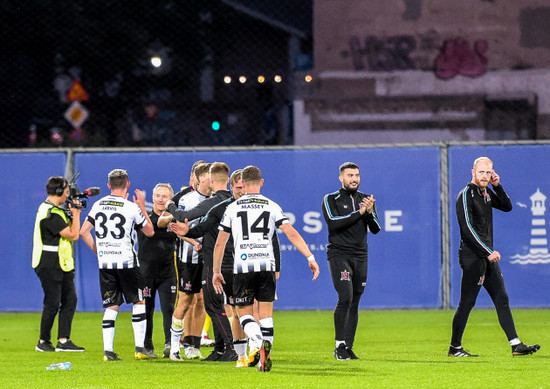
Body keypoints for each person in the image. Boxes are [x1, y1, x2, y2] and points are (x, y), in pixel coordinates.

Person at [212, 165, 320, 372]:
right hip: (267, 265)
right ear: (261, 182)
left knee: (243, 314)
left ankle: (256, 338)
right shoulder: (271, 206)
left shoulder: (233, 208)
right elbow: (291, 233)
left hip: (243, 266)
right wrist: (310, 256)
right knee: (266, 314)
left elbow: (220, 243)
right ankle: (265, 357)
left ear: (241, 183)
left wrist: (217, 271)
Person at [449, 156, 541, 357]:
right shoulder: (465, 195)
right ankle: (455, 348)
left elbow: (507, 206)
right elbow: (467, 230)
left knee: (502, 297)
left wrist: (497, 186)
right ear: (472, 172)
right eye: (481, 172)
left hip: (487, 256)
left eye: (488, 173)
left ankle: (515, 344)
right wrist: (487, 251)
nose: (484, 176)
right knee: (467, 303)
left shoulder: (486, 193)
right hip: (472, 257)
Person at [80, 169, 155, 361]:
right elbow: (149, 232)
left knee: (111, 305)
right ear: (127, 185)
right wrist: (142, 208)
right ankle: (139, 349)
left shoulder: (98, 205)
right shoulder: (131, 207)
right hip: (127, 262)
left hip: (106, 263)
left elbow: (83, 232)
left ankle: (108, 352)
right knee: (139, 302)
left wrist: (99, 251)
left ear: (108, 185)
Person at [172, 166, 240, 363]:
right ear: (228, 180)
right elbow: (204, 228)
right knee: (225, 305)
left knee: (212, 305)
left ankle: (229, 348)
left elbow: (192, 220)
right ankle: (219, 350)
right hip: (233, 259)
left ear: (211, 179)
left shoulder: (213, 204)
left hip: (213, 261)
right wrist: (187, 232)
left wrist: (171, 207)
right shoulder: (234, 202)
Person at [322, 162, 382, 361]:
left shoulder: (365, 199)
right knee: (345, 297)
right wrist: (361, 213)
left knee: (355, 301)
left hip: (360, 256)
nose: (354, 179)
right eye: (350, 175)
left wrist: (370, 211)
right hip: (339, 254)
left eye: (356, 175)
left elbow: (376, 229)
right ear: (341, 178)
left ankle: (348, 347)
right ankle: (338, 345)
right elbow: (334, 223)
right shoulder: (331, 199)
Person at [164, 162, 212, 361]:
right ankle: (175, 347)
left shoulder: (216, 199)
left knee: (201, 301)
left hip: (207, 257)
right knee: (185, 301)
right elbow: (175, 225)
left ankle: (193, 345)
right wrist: (193, 241)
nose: (213, 181)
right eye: (210, 177)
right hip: (188, 257)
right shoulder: (187, 199)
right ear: (200, 179)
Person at [32, 176, 85, 352]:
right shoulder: (51, 213)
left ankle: (63, 340)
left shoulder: (53, 210)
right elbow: (73, 235)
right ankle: (43, 341)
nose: (68, 195)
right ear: (59, 192)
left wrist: (72, 213)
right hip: (49, 262)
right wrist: (76, 213)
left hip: (61, 263)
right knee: (52, 302)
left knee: (70, 300)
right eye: (67, 192)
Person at [137, 183, 178, 359]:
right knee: (147, 310)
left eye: (165, 196)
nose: (161, 199)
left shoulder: (175, 218)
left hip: (167, 272)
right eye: (158, 196)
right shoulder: (143, 217)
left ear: (171, 199)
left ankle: (170, 344)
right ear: (152, 198)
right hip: (145, 272)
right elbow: (155, 226)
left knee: (169, 309)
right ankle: (147, 346)